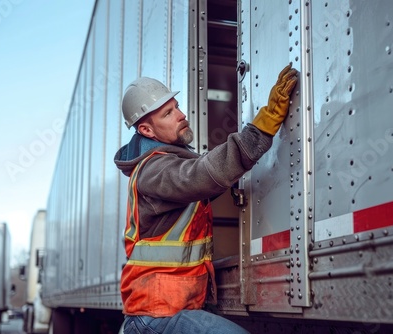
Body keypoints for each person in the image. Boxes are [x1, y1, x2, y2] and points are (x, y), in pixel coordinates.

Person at [114, 64, 298, 334]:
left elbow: (203, 183)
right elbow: (198, 176)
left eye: (176, 106)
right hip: (156, 313)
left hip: (171, 308)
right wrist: (260, 130)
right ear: (147, 131)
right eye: (168, 113)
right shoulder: (152, 171)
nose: (181, 115)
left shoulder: (166, 167)